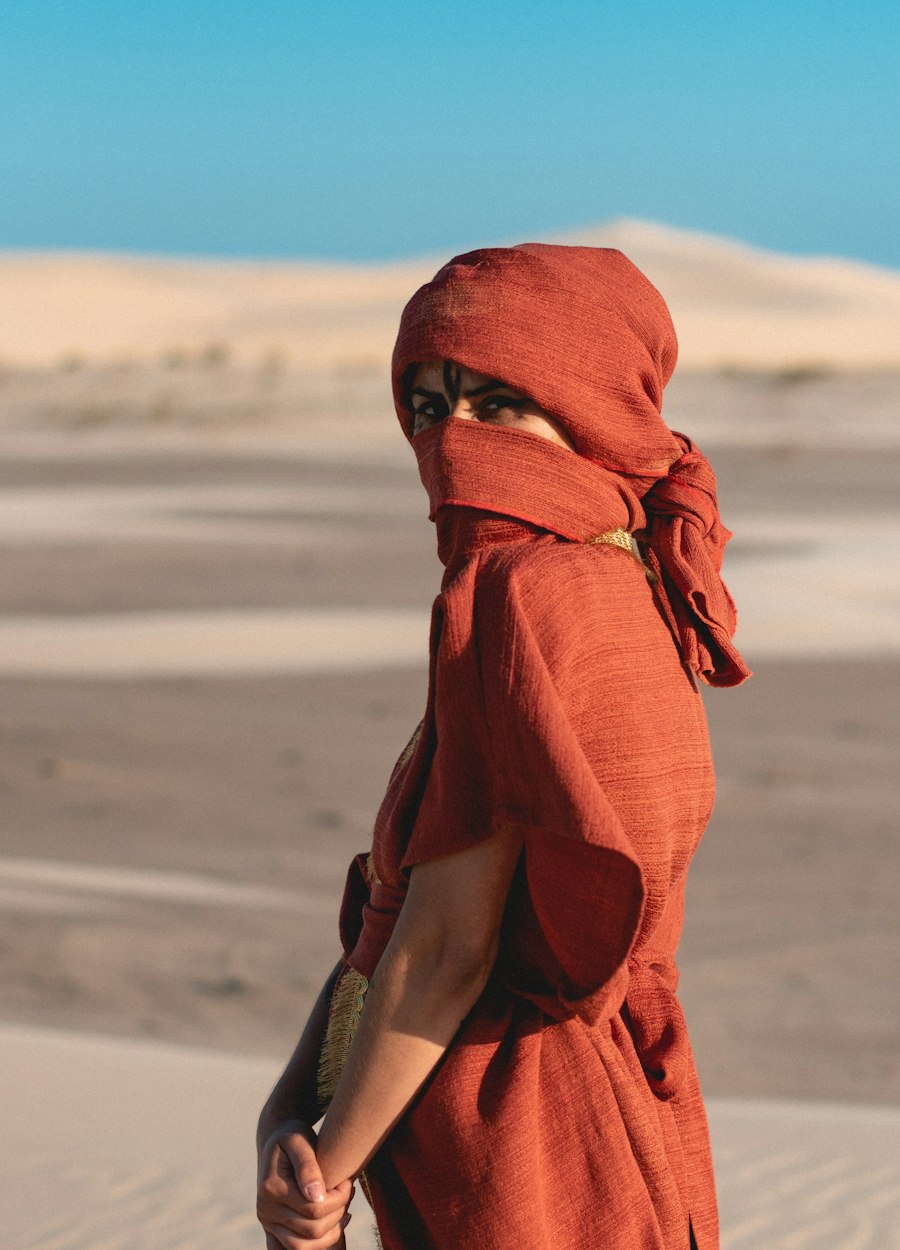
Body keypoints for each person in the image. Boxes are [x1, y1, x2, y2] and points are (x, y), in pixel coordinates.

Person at [256, 243, 750, 1250]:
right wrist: (286, 1108)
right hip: (596, 1124)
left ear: (590, 409)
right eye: (429, 407)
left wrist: (321, 1175)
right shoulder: (631, 582)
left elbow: (446, 945)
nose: (455, 438)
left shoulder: (522, 589)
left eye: (498, 401)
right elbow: (398, 924)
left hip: (519, 1148)